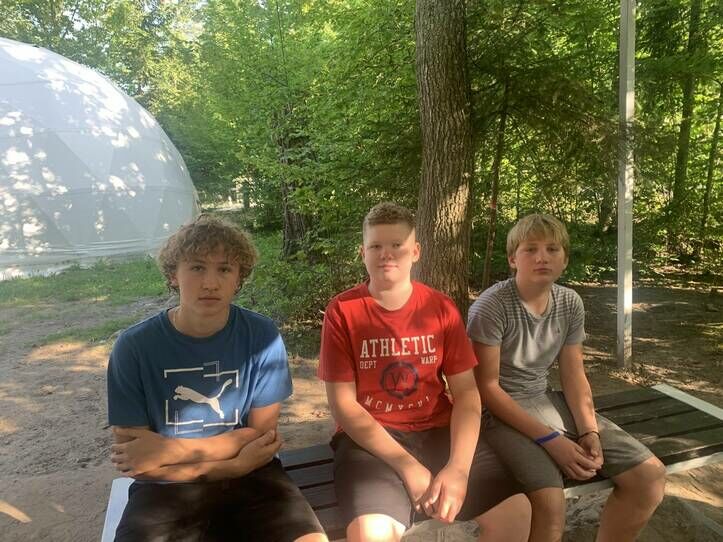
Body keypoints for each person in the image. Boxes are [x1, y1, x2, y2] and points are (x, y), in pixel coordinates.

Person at [106, 214, 327, 542]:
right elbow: (137, 461)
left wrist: (169, 451)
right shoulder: (134, 346)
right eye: (197, 267)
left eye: (224, 269)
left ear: (239, 278)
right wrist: (232, 464)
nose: (210, 283)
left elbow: (261, 439)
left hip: (255, 478)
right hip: (166, 489)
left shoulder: (261, 336)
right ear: (173, 275)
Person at [318, 202, 531, 542]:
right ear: (362, 253)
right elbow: (343, 405)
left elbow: (467, 393)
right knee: (371, 534)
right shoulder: (343, 311)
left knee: (516, 514)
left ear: (415, 251)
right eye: (376, 246)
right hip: (371, 440)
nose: (387, 254)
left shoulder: (440, 307)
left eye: (397, 245)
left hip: (438, 429)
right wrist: (407, 466)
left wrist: (458, 469)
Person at [467, 213, 666, 542]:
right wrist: (551, 441)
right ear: (513, 259)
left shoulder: (569, 302)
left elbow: (574, 374)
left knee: (649, 477)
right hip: (499, 414)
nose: (542, 257)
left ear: (565, 260)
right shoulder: (492, 306)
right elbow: (486, 388)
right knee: (550, 504)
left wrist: (589, 430)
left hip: (546, 400)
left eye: (552, 249)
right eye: (530, 249)